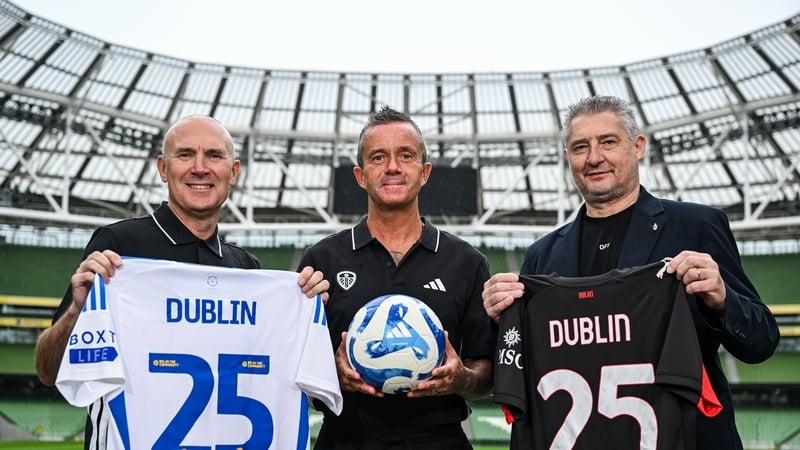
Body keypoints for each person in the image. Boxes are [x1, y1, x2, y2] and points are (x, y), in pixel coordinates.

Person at [482, 95, 780, 449]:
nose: (594, 158)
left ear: (637, 146)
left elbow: (761, 341)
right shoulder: (542, 256)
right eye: (580, 147)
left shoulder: (696, 227)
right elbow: (523, 364)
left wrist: (722, 299)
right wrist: (499, 320)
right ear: (567, 158)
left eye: (608, 142)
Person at [34, 114, 330, 447]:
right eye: (185, 154)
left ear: (233, 172)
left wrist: (305, 312)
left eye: (214, 156)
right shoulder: (118, 249)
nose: (200, 168)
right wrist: (78, 310)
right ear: (163, 168)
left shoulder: (249, 271)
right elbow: (48, 371)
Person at [298, 106, 494, 449]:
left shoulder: (467, 263)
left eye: (405, 155)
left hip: (440, 441)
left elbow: (486, 374)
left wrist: (461, 377)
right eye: (378, 157)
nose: (392, 167)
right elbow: (295, 365)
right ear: (360, 175)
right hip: (346, 440)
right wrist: (333, 373)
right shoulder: (321, 261)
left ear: (424, 171)